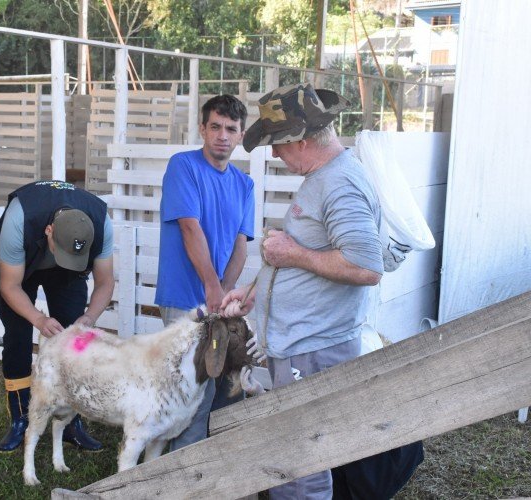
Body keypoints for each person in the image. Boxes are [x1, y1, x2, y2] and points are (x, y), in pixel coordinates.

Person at [222, 82, 384, 500]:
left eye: (277, 143)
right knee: (295, 452)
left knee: (302, 463)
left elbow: (366, 267)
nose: (274, 153)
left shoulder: (339, 184)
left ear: (302, 139)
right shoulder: (325, 176)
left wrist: (291, 253)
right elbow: (311, 255)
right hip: (302, 346)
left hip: (313, 349)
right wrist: (254, 291)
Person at [155, 94, 255, 451]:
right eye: (215, 126)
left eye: (231, 129)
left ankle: (202, 471)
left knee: (215, 389)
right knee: (186, 393)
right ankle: (176, 475)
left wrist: (225, 295)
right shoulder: (183, 166)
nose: (222, 135)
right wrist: (212, 289)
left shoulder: (244, 184)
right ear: (202, 128)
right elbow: (189, 229)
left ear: (241, 135)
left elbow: (241, 242)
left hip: (217, 302)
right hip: (184, 299)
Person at [0, 180, 115, 453]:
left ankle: (71, 423)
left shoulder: (102, 222)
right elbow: (10, 286)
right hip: (21, 264)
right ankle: (20, 419)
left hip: (65, 274)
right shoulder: (20, 217)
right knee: (18, 337)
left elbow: (105, 282)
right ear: (49, 231)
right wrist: (39, 319)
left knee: (73, 341)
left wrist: (89, 318)